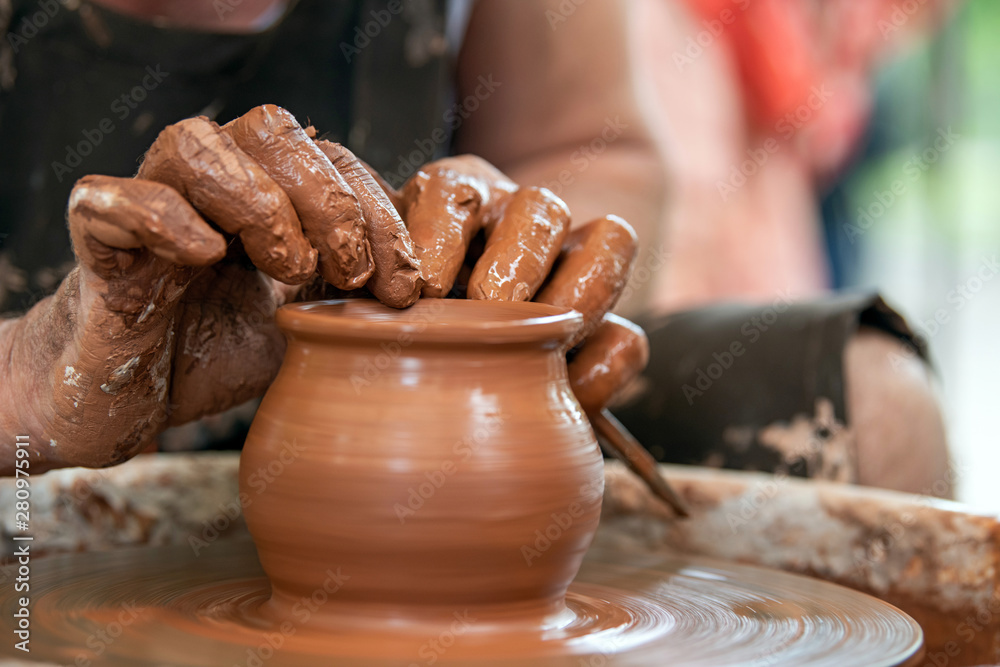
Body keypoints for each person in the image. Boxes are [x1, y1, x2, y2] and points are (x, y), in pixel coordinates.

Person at [0, 0, 951, 498]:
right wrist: (38, 381)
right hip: (29, 471)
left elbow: (591, 141)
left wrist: (512, 278)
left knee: (872, 410)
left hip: (379, 423)